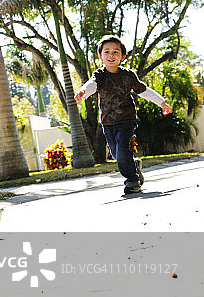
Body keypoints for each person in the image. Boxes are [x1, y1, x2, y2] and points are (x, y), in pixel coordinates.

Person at [74, 34, 173, 194]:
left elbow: (144, 91)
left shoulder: (128, 75)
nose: (111, 55)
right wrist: (82, 92)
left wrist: (162, 102)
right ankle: (134, 167)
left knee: (122, 149)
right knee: (116, 154)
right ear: (100, 56)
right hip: (107, 122)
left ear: (123, 56)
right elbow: (91, 85)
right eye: (106, 52)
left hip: (126, 120)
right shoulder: (100, 75)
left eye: (115, 52)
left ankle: (132, 181)